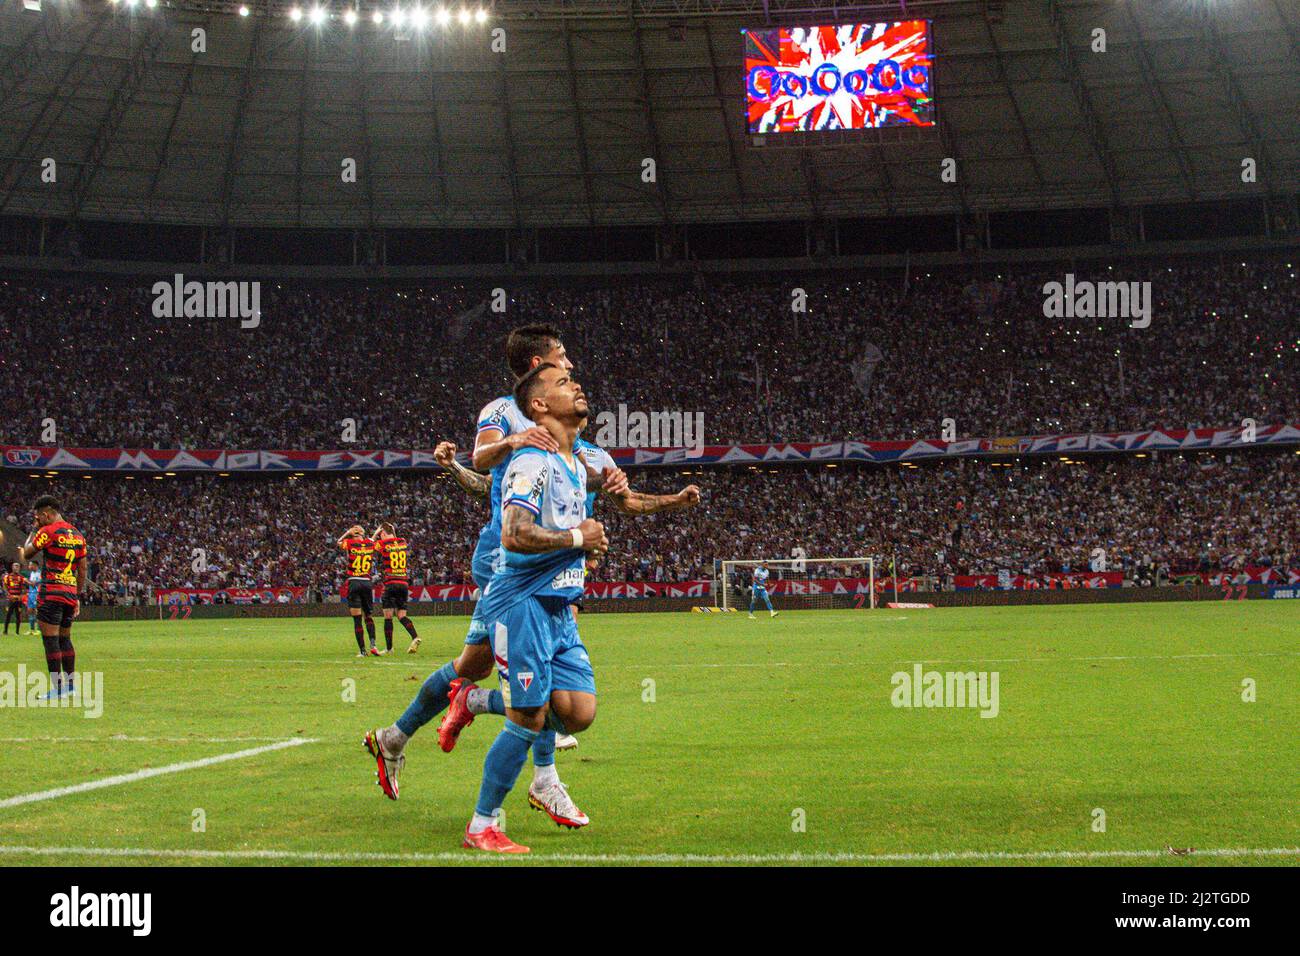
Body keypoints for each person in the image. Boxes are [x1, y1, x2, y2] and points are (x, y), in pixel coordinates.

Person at [19, 496, 88, 700]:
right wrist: (76, 595)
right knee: (65, 639)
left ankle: (58, 689)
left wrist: (33, 530)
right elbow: (82, 569)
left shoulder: (47, 531)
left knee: (50, 640)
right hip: (69, 593)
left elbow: (27, 554)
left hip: (50, 592)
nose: (38, 520)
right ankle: (71, 686)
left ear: (46, 514)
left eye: (38, 517)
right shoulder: (77, 534)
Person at [373, 522, 420, 654]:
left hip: (391, 583)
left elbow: (370, 544)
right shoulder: (402, 542)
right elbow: (394, 538)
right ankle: (415, 637)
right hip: (404, 583)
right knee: (401, 615)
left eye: (381, 535)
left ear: (382, 533)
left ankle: (389, 649)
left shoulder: (383, 544)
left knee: (388, 616)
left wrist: (376, 533)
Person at [337, 526, 379, 657]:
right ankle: (373, 645)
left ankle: (362, 651)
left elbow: (338, 543)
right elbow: (374, 539)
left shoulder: (349, 543)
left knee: (357, 619)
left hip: (354, 581)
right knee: (369, 616)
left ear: (352, 535)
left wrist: (346, 533)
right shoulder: (369, 543)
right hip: (367, 582)